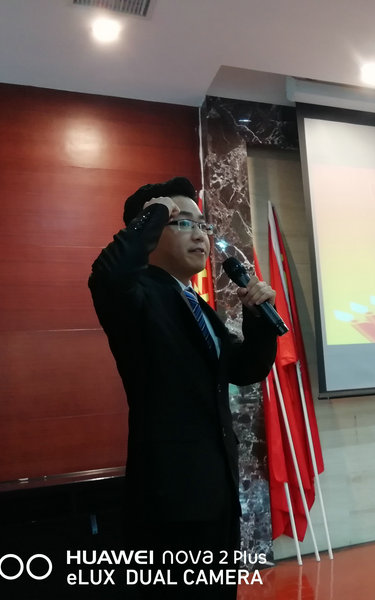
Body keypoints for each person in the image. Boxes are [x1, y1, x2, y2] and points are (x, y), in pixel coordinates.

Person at [88, 176, 278, 598]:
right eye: (184, 223)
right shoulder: (135, 296)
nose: (200, 235)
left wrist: (259, 321)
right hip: (170, 498)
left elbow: (244, 369)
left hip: (217, 490)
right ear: (152, 231)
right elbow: (108, 273)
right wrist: (155, 212)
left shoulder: (197, 307)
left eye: (203, 225)